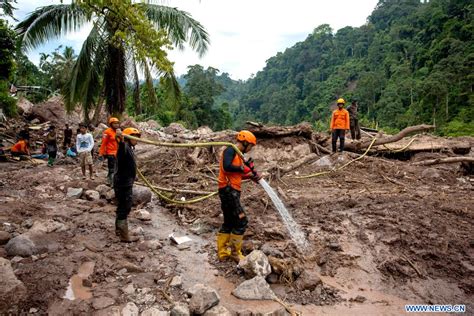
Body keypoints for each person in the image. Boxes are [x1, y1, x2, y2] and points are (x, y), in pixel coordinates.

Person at [217, 130, 262, 262]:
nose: (250, 149)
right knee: (242, 221)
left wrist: (251, 176)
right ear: (245, 142)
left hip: (229, 191)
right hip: (229, 191)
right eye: (251, 146)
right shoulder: (231, 150)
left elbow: (235, 173)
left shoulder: (238, 155)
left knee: (229, 222)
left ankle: (223, 253)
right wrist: (244, 169)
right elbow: (226, 167)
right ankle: (235, 253)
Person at [113, 127, 141, 243]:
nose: (137, 139)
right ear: (128, 138)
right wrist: (120, 137)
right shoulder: (123, 147)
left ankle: (119, 231)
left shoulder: (128, 148)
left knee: (122, 207)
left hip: (123, 182)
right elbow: (120, 143)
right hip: (123, 183)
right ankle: (124, 236)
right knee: (125, 207)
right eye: (135, 137)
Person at [99, 117, 120, 185]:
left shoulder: (119, 132)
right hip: (111, 153)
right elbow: (103, 143)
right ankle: (111, 182)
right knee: (112, 168)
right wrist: (101, 153)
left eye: (117, 123)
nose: (116, 125)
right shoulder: (107, 132)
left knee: (116, 168)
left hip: (118, 153)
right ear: (111, 124)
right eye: (115, 123)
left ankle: (109, 180)